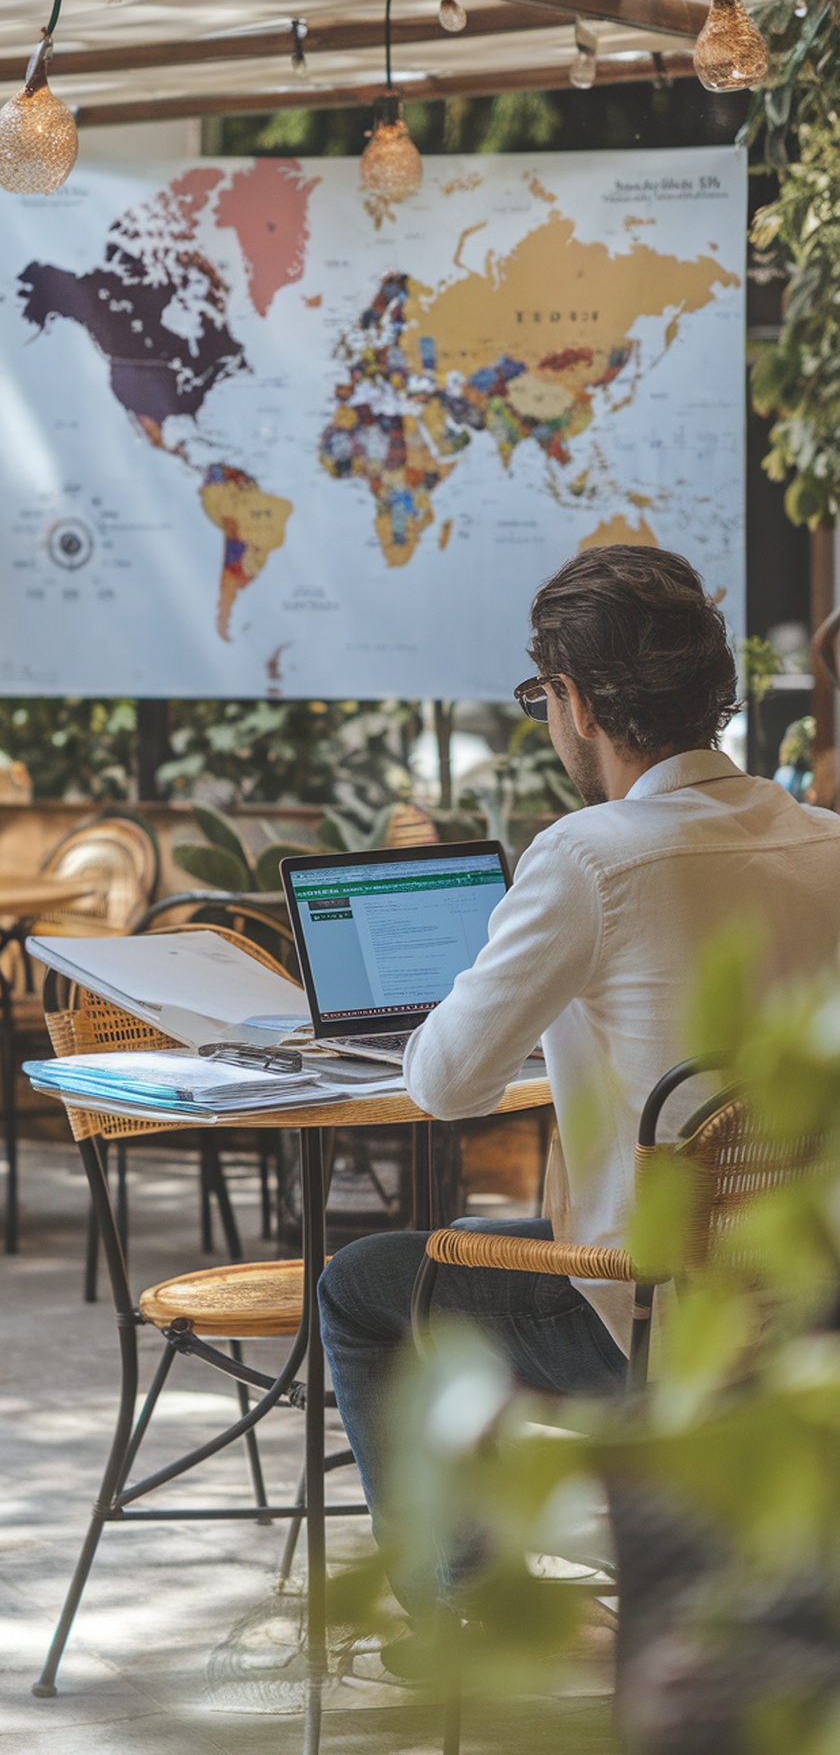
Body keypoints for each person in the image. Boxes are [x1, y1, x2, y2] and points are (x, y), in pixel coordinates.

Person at [319, 543, 840, 1631]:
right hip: (802, 1312)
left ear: (581, 703)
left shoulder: (587, 856)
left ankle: (452, 1610)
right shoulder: (825, 842)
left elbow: (448, 1084)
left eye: (543, 696)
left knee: (365, 1284)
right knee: (480, 1234)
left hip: (650, 1320)